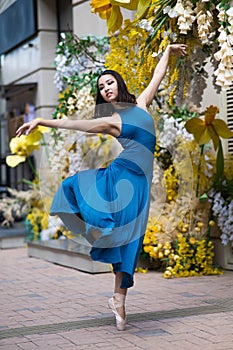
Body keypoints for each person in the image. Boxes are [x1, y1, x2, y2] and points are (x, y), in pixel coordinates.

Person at [16, 43, 187, 331]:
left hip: (140, 185)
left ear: (119, 84)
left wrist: (168, 51)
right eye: (101, 86)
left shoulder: (142, 103)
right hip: (122, 181)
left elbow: (158, 73)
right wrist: (42, 120)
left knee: (130, 243)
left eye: (109, 82)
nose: (106, 88)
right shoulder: (111, 121)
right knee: (119, 236)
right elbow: (74, 123)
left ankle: (118, 300)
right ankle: (114, 284)